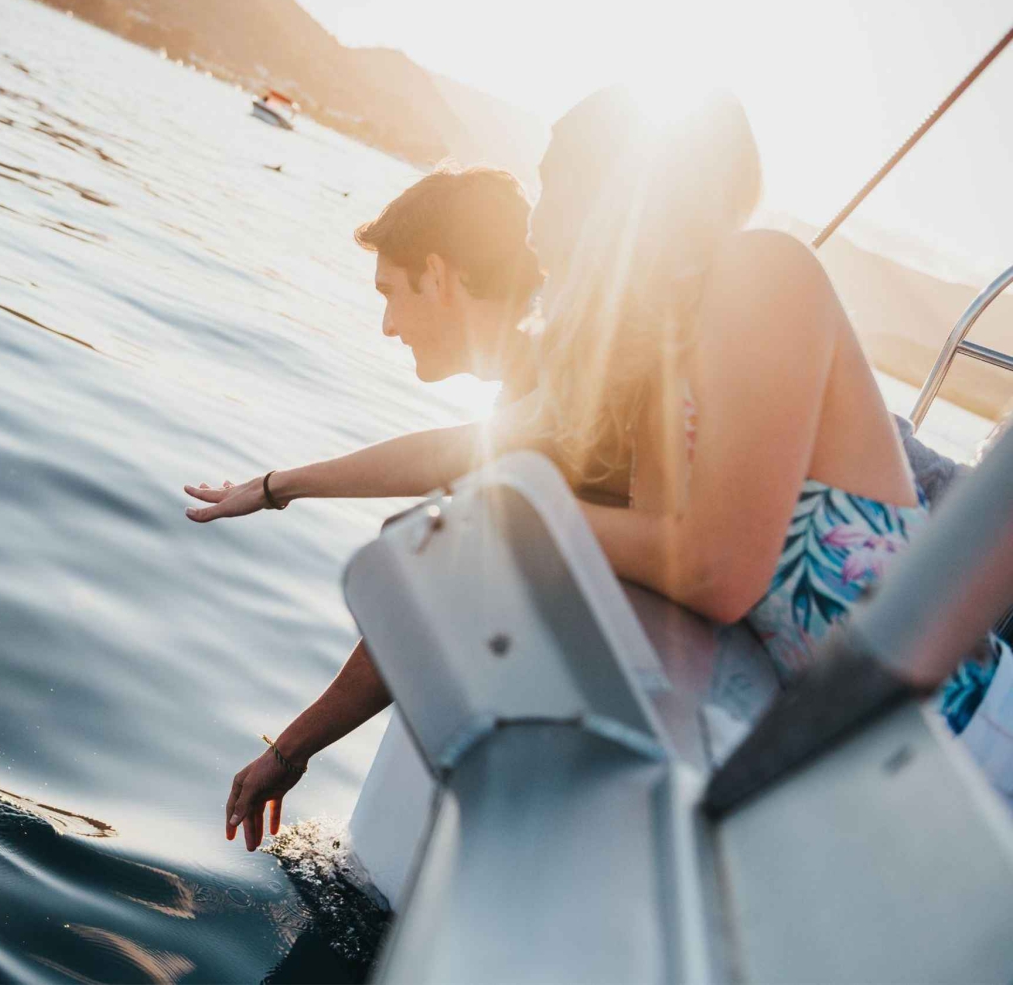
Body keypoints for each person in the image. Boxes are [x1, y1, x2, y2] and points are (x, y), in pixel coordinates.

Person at [186, 87, 982, 853]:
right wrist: (280, 488)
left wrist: (506, 512)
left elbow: (715, 567)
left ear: (618, 192)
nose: (535, 222)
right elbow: (471, 454)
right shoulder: (656, 356)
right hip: (888, 748)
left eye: (553, 183)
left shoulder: (760, 271)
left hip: (975, 722)